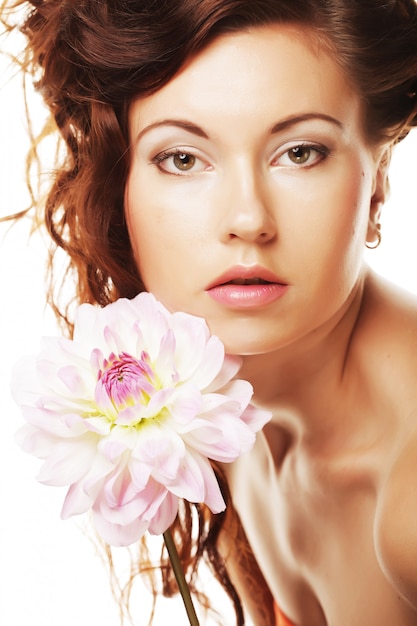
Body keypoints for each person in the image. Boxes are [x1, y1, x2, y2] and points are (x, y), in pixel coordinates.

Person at [2, 0, 417, 624]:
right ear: (121, 187)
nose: (247, 218)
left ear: (377, 179)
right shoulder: (226, 406)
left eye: (300, 152)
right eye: (183, 158)